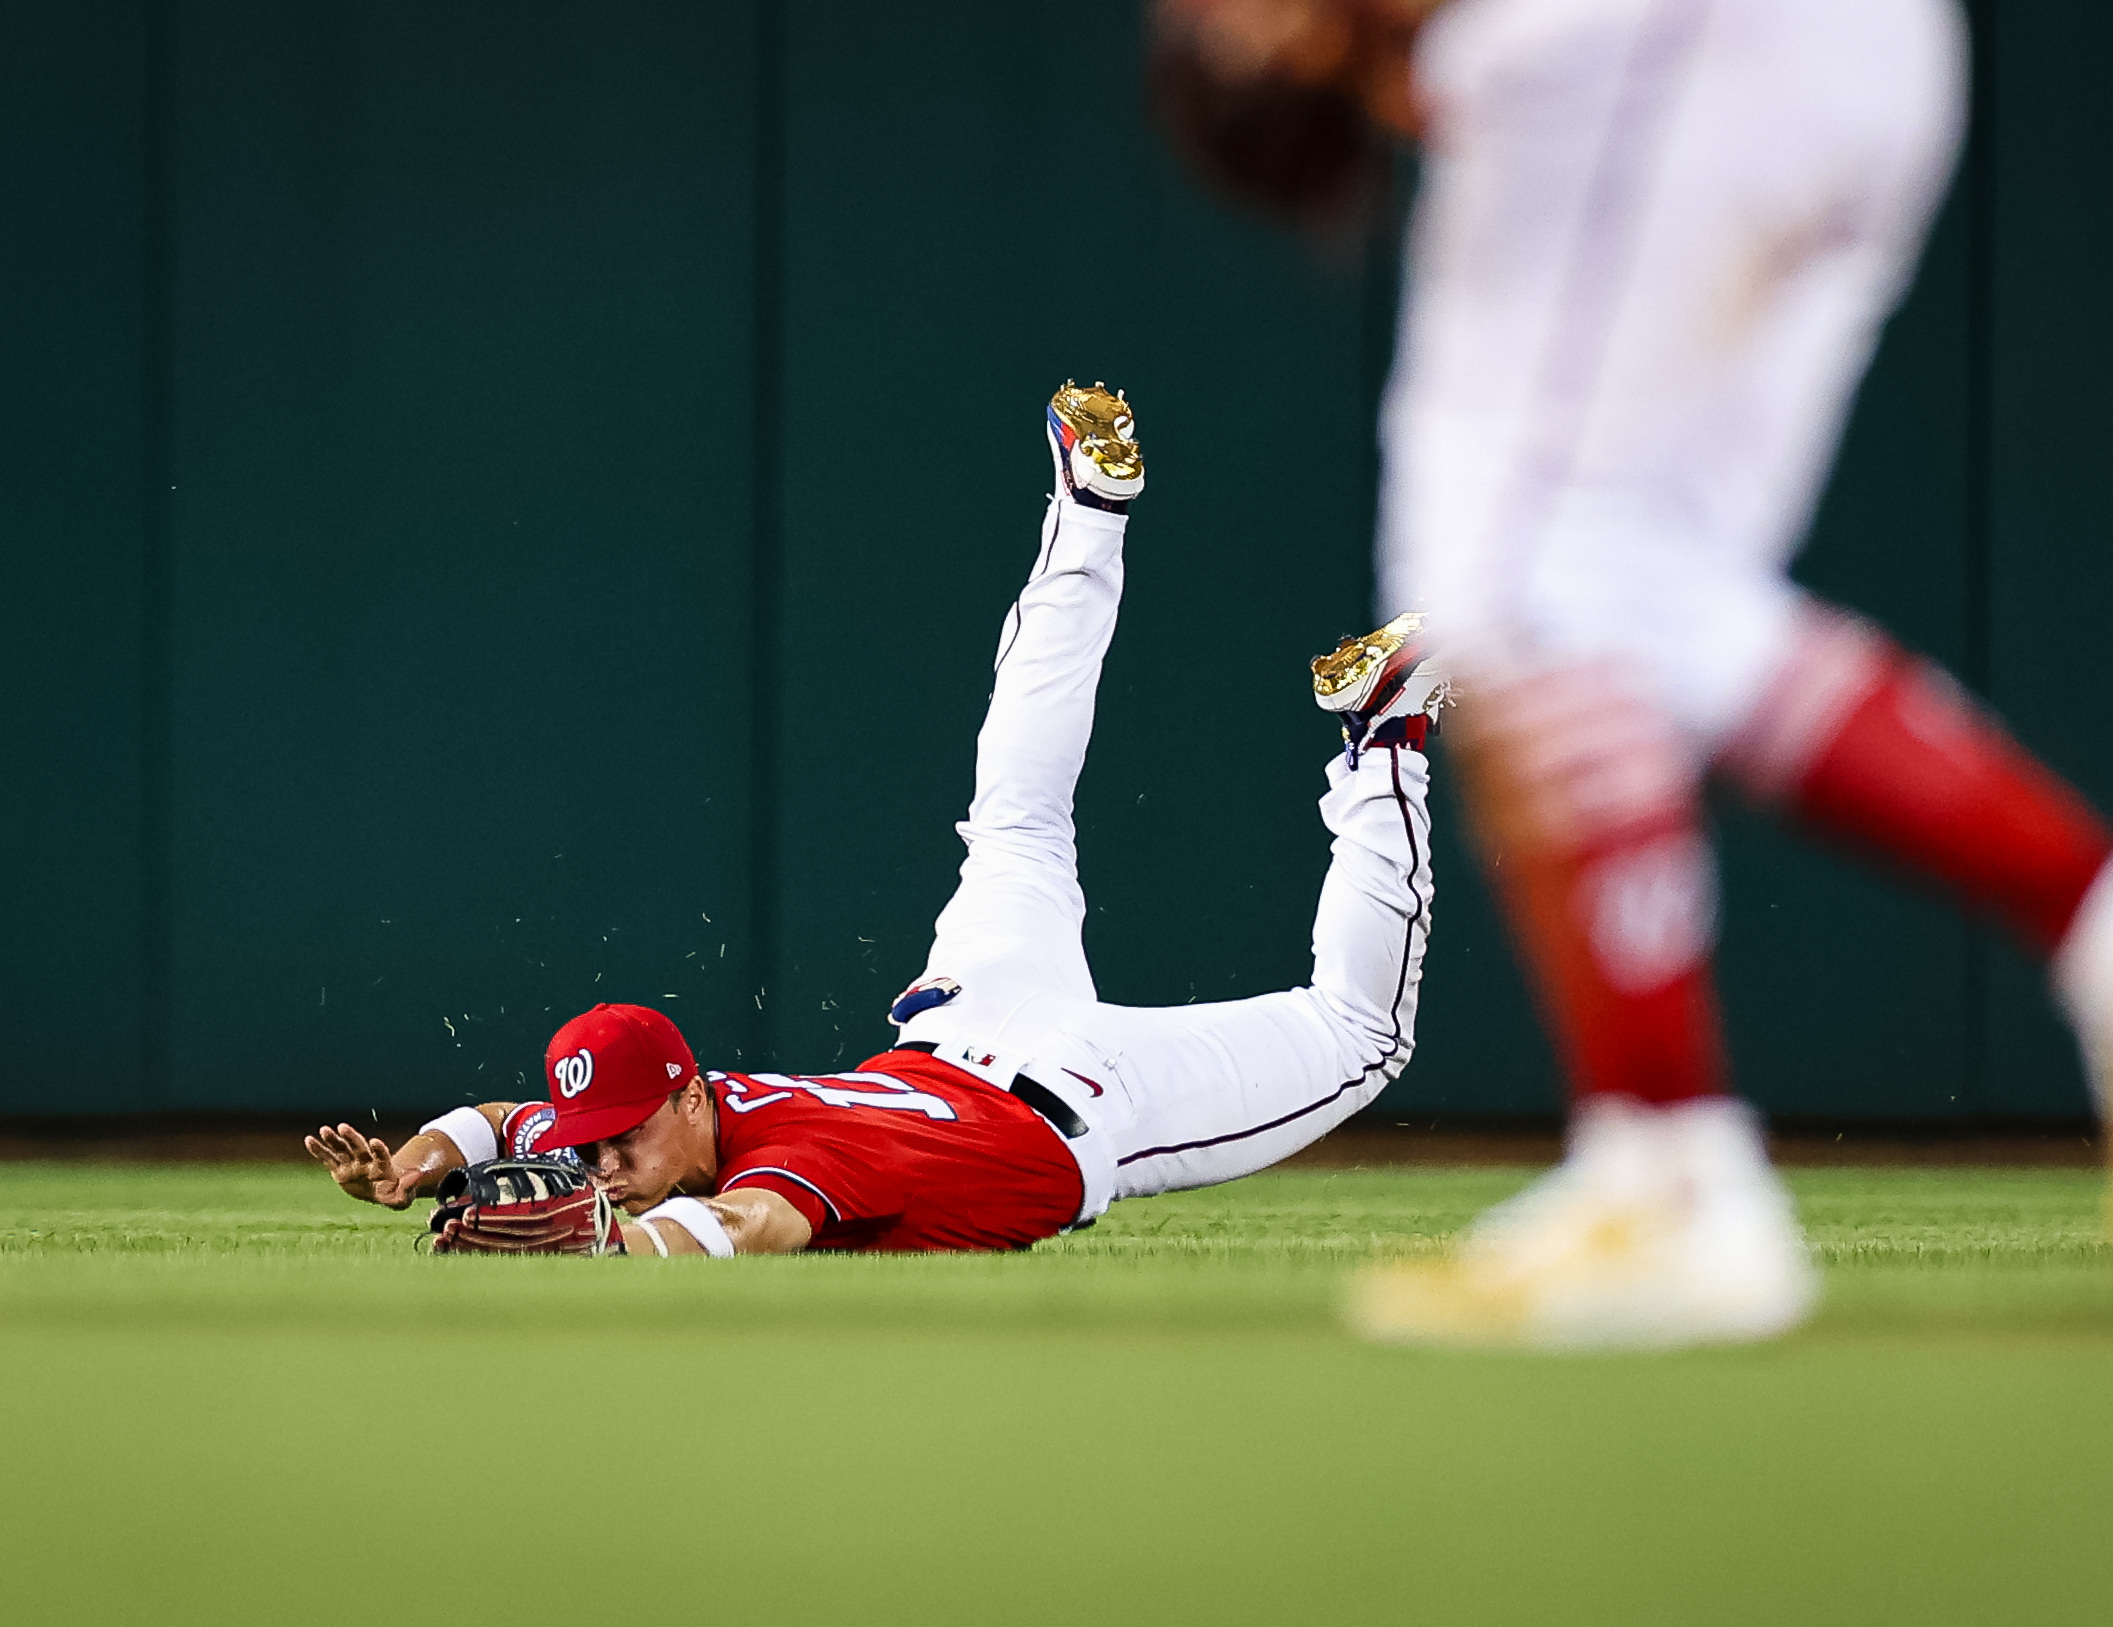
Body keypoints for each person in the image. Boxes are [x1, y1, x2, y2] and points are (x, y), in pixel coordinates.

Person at [1150, 0, 2113, 1348]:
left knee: (1521, 583)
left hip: (1695, 45)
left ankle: (1664, 1173)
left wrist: (1303, 41)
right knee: (1640, 592)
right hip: (1796, 59)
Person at [307, 383, 1450, 1256]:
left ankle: (1383, 737)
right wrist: (416, 1164)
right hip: (968, 1019)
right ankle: (1087, 515)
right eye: (598, 1145)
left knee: (1359, 1034)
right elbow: (516, 1119)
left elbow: (748, 1228)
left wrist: (609, 1239)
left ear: (695, 1093)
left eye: (624, 1135)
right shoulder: (714, 1107)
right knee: (1012, 818)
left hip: (1079, 1097)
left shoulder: (791, 1153)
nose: (605, 1161)